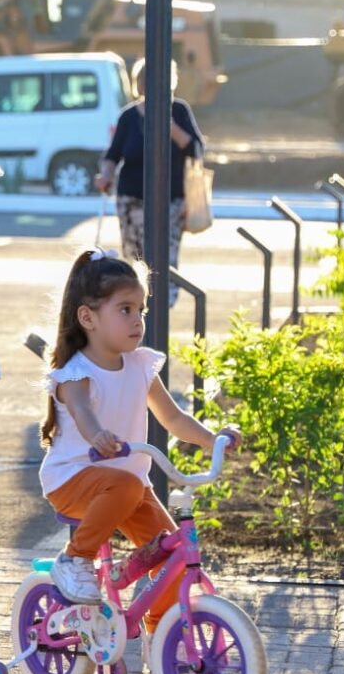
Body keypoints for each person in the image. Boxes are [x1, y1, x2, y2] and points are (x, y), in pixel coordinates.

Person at [39, 250, 239, 629]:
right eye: (125, 310)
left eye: (141, 311)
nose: (137, 321)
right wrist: (97, 435)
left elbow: (174, 418)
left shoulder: (140, 366)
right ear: (88, 318)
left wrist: (213, 439)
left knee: (172, 557)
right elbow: (82, 412)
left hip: (128, 486)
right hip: (73, 479)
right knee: (127, 486)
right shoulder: (76, 373)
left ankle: (164, 632)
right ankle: (75, 558)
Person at [96, 60, 204, 308]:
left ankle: (162, 309)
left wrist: (167, 124)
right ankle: (136, 308)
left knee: (165, 258)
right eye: (148, 82)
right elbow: (112, 155)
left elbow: (196, 149)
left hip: (171, 200)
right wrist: (105, 175)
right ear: (140, 85)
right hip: (132, 199)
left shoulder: (179, 111)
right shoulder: (128, 116)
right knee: (134, 258)